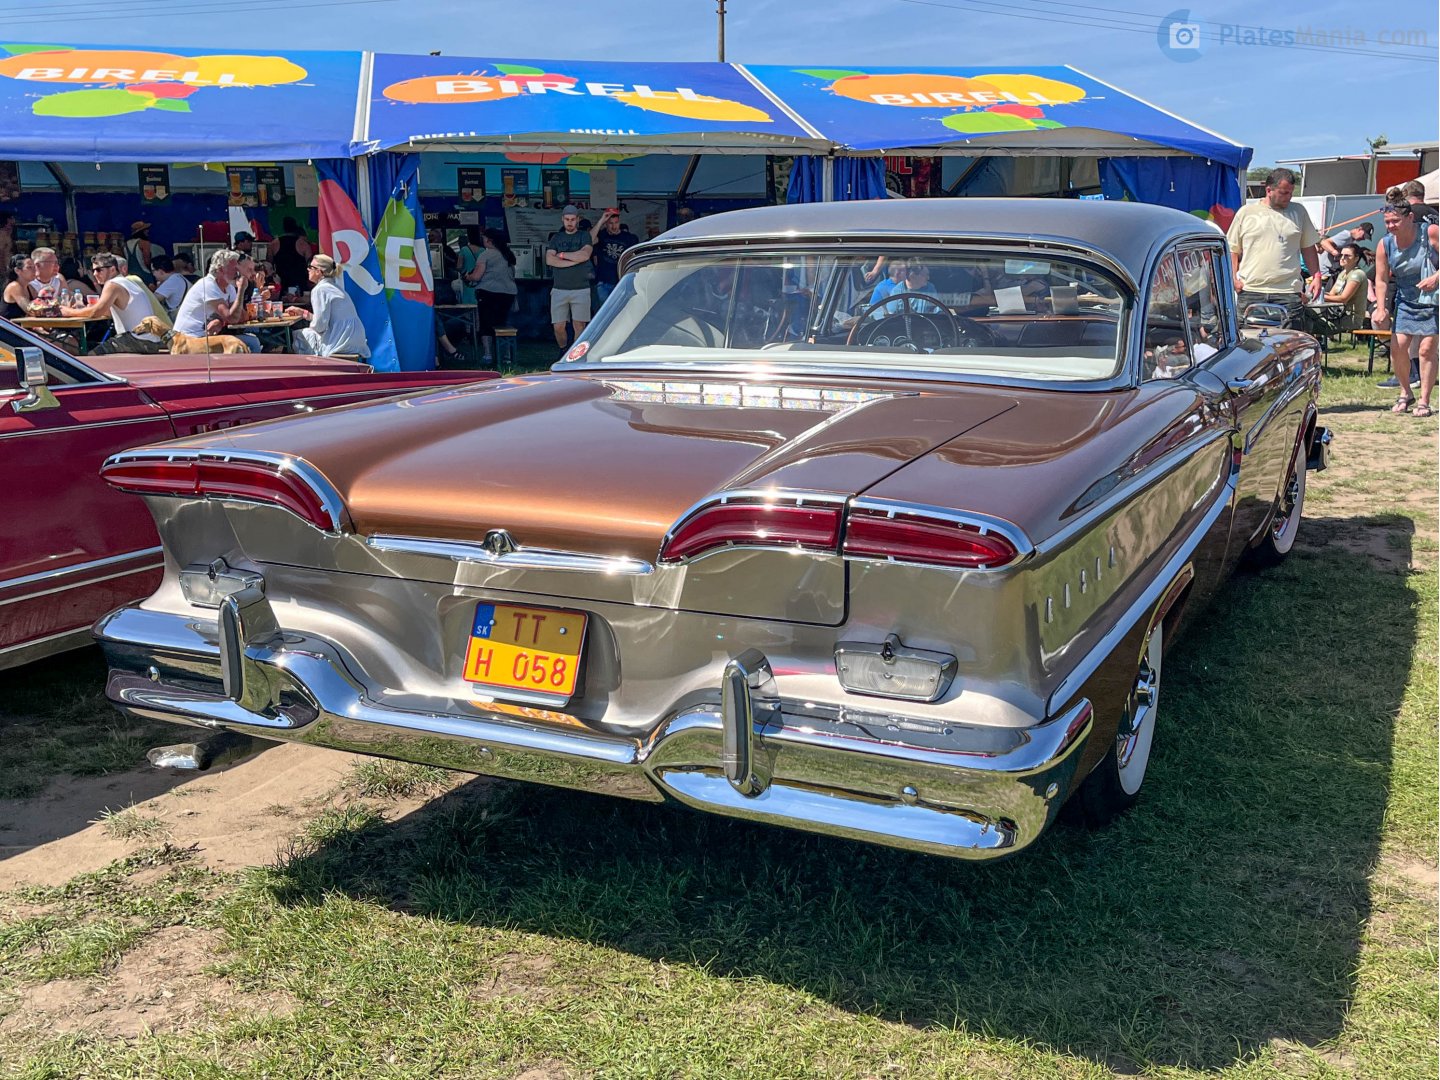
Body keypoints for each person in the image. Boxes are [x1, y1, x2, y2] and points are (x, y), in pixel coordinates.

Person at [1227, 167, 1322, 327]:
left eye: (1291, 193)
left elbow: (1308, 247)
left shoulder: (1299, 212)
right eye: (1284, 193)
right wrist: (1233, 278)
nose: (1288, 197)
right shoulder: (1246, 212)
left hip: (1288, 291)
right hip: (1251, 289)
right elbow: (1232, 249)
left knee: (1289, 346)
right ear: (1269, 190)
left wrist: (1317, 275)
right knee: (1248, 344)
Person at [1373, 199, 1439, 416]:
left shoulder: (1429, 232)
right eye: (1388, 222)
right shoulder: (1385, 244)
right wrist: (1381, 307)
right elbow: (1381, 279)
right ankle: (1405, 392)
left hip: (1433, 298)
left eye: (1396, 221)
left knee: (1426, 349)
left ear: (1410, 217)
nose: (1391, 226)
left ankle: (1424, 401)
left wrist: (1436, 278)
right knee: (1398, 347)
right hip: (1405, 299)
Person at [60, 251, 166, 354]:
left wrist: (68, 312)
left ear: (112, 269)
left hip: (137, 339)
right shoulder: (126, 282)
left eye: (99, 270)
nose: (95, 274)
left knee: (91, 356)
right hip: (151, 340)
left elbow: (96, 312)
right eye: (93, 271)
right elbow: (107, 312)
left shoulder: (113, 284)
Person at [289, 254, 369, 359]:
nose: (308, 269)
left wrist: (310, 324)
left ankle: (307, 372)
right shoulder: (335, 287)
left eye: (311, 267)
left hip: (340, 342)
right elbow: (325, 320)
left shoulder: (320, 290)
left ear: (319, 271)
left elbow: (320, 326)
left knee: (298, 335)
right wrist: (304, 313)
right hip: (354, 340)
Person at [173, 249, 254, 351]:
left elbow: (242, 316)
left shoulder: (229, 287)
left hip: (206, 337)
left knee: (252, 341)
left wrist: (221, 321)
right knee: (249, 343)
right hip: (189, 339)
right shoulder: (208, 285)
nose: (238, 273)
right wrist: (241, 290)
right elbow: (232, 318)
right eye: (234, 269)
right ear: (220, 270)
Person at [464, 228, 517, 364]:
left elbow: (477, 276)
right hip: (508, 294)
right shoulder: (508, 255)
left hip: (488, 293)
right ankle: (506, 356)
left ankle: (488, 355)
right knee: (503, 324)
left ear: (489, 240)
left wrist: (467, 276)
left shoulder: (486, 255)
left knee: (486, 324)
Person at [545, 205, 593, 349]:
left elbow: (585, 255)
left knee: (580, 325)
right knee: (558, 326)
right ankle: (563, 350)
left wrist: (562, 255)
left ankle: (574, 355)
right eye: (567, 219)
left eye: (573, 219)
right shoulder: (556, 237)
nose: (570, 222)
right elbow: (549, 260)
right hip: (559, 288)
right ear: (562, 220)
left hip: (581, 288)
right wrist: (574, 260)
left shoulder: (584, 235)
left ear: (577, 220)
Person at [589, 209, 638, 305]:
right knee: (604, 314)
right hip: (603, 282)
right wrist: (601, 220)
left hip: (622, 282)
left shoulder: (629, 238)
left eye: (616, 222)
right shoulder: (602, 235)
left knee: (621, 312)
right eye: (610, 223)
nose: (614, 226)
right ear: (606, 224)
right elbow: (588, 241)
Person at [1320, 243, 1370, 331]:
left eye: (1347, 256)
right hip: (1338, 314)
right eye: (1341, 255)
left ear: (1356, 258)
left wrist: (1322, 297)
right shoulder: (1342, 274)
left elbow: (1343, 299)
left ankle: (1318, 342)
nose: (1342, 258)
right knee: (1309, 315)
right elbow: (1331, 294)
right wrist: (1316, 295)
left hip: (1351, 319)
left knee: (1311, 322)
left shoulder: (1358, 274)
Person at [269, 217, 313, 296]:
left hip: (282, 283)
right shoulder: (303, 244)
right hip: (300, 283)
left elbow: (269, 265)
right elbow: (310, 264)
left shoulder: (273, 244)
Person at [124, 221, 163, 285]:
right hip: (144, 274)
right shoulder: (144, 243)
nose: (148, 231)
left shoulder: (126, 244)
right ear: (141, 231)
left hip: (130, 274)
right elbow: (147, 260)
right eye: (146, 230)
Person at [3, 253, 35, 318]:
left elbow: (40, 305)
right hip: (9, 327)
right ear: (17, 270)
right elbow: (31, 310)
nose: (34, 270)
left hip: (22, 326)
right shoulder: (14, 286)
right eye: (29, 267)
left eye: (34, 267)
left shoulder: (30, 288)